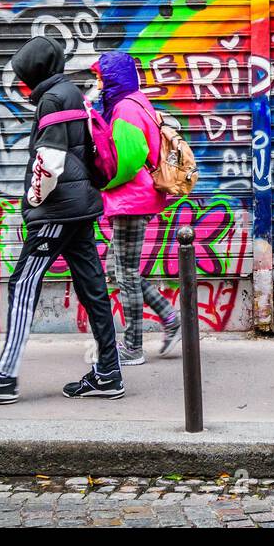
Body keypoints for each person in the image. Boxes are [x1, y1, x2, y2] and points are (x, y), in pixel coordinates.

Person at [0, 35, 124, 403]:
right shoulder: (70, 92)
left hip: (58, 210)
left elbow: (50, 160)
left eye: (22, 73)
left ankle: (3, 378)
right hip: (80, 206)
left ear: (35, 70)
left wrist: (34, 200)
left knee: (23, 284)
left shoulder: (52, 99)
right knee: (92, 288)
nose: (20, 81)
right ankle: (109, 372)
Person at [94, 52, 181, 366]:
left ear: (114, 78)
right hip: (133, 198)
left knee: (126, 274)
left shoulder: (126, 108)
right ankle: (169, 317)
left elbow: (128, 161)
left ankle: (132, 347)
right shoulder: (136, 101)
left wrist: (103, 184)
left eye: (102, 77)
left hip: (131, 198)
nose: (98, 84)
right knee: (119, 270)